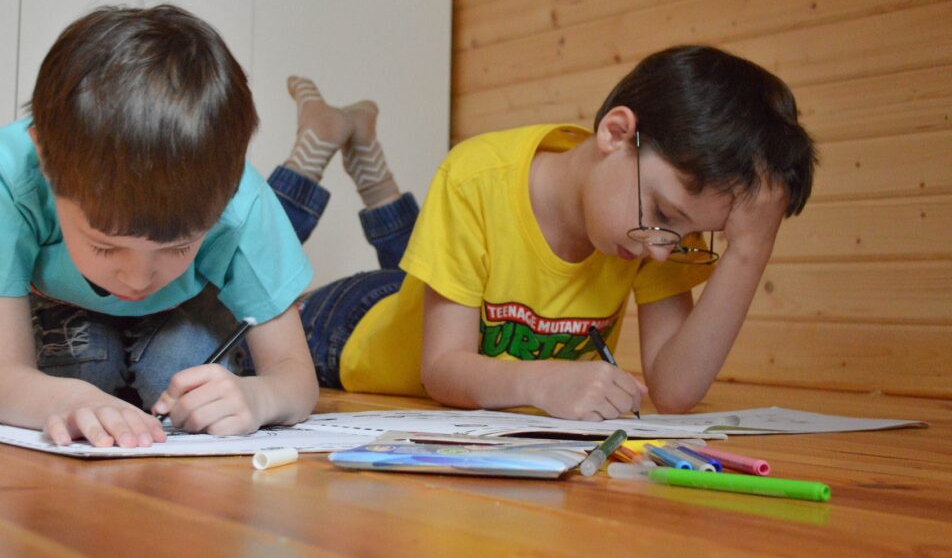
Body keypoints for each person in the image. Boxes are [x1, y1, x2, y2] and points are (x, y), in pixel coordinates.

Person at [272, 46, 816, 421]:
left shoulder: (666, 221)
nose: (660, 247)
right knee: (253, 298)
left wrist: (749, 248)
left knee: (427, 268)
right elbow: (440, 369)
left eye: (688, 235)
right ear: (615, 133)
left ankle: (368, 157)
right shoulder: (477, 174)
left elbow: (674, 391)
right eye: (664, 216)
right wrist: (540, 382)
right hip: (350, 331)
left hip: (436, 308)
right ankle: (318, 141)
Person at [0, 4, 319, 448]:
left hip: (183, 311)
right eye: (106, 247)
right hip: (58, 307)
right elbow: (1, 376)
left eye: (179, 247)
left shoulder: (241, 201)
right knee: (83, 374)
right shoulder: (1, 174)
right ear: (45, 161)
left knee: (189, 378)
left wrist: (258, 396)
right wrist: (63, 398)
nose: (137, 279)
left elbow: (295, 379)